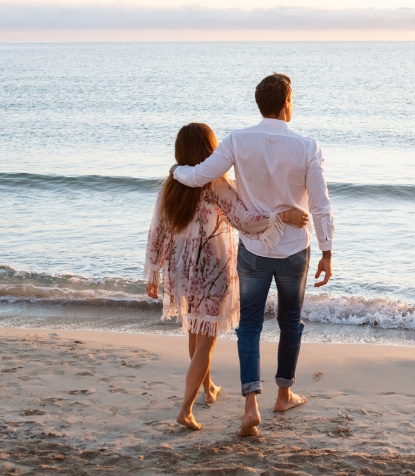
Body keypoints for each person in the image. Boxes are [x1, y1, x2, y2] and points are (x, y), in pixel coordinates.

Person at [170, 73, 334, 437]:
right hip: (294, 249)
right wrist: (327, 249)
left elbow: (200, 177)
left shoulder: (237, 140)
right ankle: (284, 394)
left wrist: (176, 170)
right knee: (291, 323)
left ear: (260, 105)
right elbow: (321, 204)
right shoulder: (308, 146)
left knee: (250, 327)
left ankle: (250, 407)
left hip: (254, 250)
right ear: (287, 103)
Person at [144, 122, 308, 431]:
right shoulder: (216, 184)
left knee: (196, 330)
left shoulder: (172, 184)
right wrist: (284, 216)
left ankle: (208, 389)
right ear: (209, 151)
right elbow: (246, 221)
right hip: (212, 270)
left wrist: (153, 272)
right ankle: (185, 409)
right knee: (205, 341)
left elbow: (158, 232)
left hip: (181, 270)